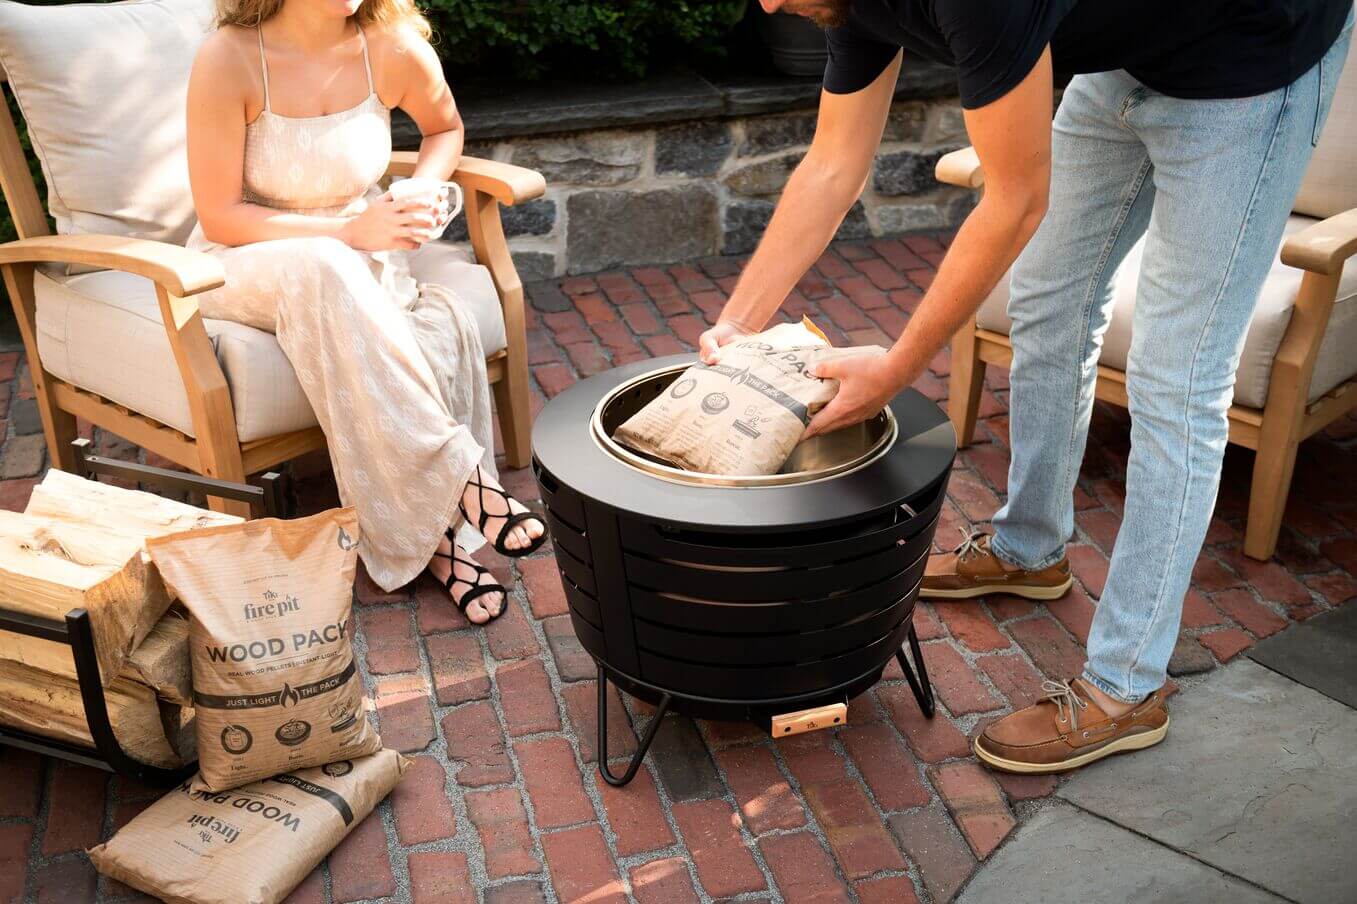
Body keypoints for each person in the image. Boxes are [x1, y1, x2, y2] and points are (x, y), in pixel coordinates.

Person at [703, 0, 1353, 773]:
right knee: (1047, 303)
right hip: (1128, 56)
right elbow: (832, 163)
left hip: (1251, 58)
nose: (769, 4)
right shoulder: (844, 3)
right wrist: (738, 326)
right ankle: (1028, 549)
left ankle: (1125, 686)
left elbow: (1015, 199)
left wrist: (899, 366)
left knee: (1175, 383)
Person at [185, 0, 546, 625]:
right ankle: (466, 480)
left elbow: (445, 129)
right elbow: (220, 216)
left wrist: (420, 190)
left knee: (400, 316)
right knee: (322, 264)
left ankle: (439, 548)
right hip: (248, 258)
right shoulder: (230, 58)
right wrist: (351, 234)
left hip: (361, 251)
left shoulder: (391, 45)